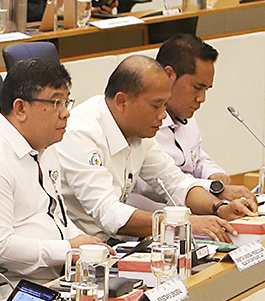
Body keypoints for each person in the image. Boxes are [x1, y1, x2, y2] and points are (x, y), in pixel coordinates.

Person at [56, 55, 254, 243]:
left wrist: (219, 208)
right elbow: (108, 213)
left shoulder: (139, 130)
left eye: (165, 105)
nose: (162, 115)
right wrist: (184, 223)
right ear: (121, 101)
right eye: (156, 106)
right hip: (78, 254)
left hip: (116, 244)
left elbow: (176, 183)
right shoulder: (81, 132)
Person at [0, 59, 103, 290]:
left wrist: (88, 247)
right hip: (15, 290)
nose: (65, 113)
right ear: (20, 108)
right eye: (56, 102)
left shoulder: (45, 146)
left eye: (67, 102)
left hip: (60, 277)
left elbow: (58, 218)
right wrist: (68, 249)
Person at [130, 34, 256, 209]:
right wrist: (214, 189)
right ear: (168, 75)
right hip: (156, 217)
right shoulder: (143, 124)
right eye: (197, 88)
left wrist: (214, 174)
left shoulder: (185, 115)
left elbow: (197, 157)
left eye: (206, 89)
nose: (202, 98)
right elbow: (157, 185)